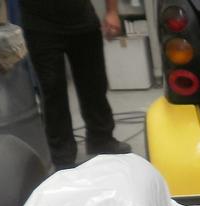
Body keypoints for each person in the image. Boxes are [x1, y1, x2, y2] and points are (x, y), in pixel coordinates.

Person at [18, 0, 132, 170]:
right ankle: (62, 155)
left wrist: (112, 11)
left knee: (94, 84)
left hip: (82, 20)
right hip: (39, 25)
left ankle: (101, 139)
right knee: (52, 91)